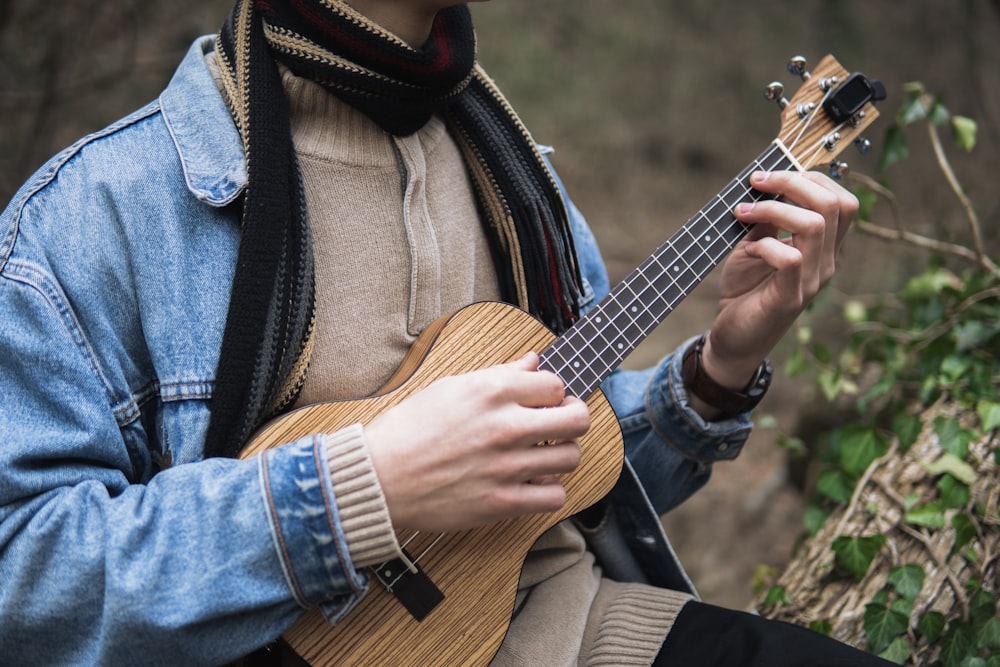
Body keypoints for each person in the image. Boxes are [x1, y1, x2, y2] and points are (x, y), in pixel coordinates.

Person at [0, 1, 893, 665]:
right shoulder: (99, 212)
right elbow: (25, 579)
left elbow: (580, 468)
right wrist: (366, 489)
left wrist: (721, 364)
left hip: (569, 630)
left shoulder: (513, 178)